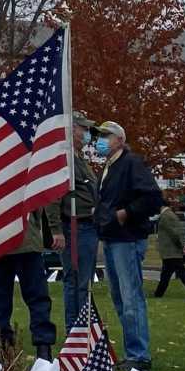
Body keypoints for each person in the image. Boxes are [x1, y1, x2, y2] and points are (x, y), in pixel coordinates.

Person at [92, 121, 163, 371]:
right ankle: (132, 350)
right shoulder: (107, 169)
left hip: (127, 238)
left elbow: (153, 197)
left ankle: (139, 353)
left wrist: (126, 213)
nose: (100, 140)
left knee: (131, 295)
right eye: (99, 136)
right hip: (111, 237)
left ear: (120, 140)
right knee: (119, 296)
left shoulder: (132, 164)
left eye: (106, 136)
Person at [0, 201, 63, 366]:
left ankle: (5, 350)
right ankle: (41, 349)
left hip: (3, 239)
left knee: (2, 299)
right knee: (34, 298)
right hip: (19, 239)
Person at [62, 113, 101, 326]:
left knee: (82, 282)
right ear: (72, 128)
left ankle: (81, 328)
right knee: (77, 281)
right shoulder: (66, 158)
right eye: (83, 129)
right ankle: (75, 331)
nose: (87, 134)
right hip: (76, 226)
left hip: (87, 225)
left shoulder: (79, 158)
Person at [151, 200, 185, 299]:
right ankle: (158, 294)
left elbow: (175, 232)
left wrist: (182, 245)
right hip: (169, 252)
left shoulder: (167, 216)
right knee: (165, 275)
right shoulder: (168, 215)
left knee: (182, 273)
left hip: (171, 251)